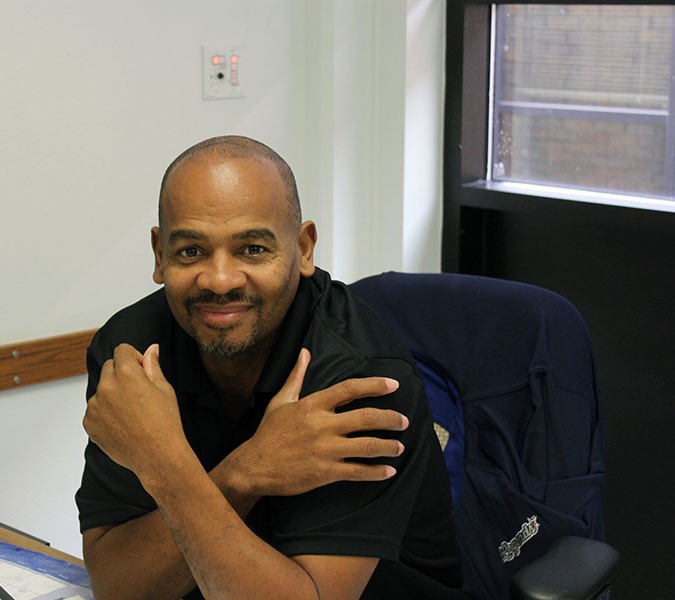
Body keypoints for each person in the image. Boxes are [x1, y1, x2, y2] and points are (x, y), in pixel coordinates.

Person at [76, 135, 465, 599]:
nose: (219, 280)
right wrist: (246, 472)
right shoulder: (132, 353)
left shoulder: (360, 377)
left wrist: (163, 461)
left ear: (303, 248)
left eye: (253, 249)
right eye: (191, 251)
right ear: (160, 255)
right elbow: (118, 586)